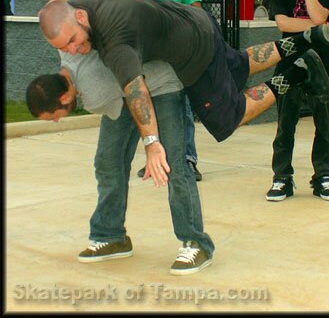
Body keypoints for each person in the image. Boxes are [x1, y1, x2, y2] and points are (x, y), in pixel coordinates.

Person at [37, 0, 329, 192]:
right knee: (240, 63)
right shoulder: (79, 4)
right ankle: (308, 37)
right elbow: (54, 6)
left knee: (231, 115)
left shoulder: (115, 38)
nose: (74, 51)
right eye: (64, 49)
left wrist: (152, 143)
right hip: (195, 21)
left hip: (193, 53)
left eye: (73, 41)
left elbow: (136, 91)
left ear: (80, 18)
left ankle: (301, 70)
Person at [26, 51, 214, 275]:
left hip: (161, 85)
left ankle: (197, 243)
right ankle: (111, 236)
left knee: (172, 164)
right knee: (108, 161)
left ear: (64, 98)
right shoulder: (69, 54)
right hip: (125, 93)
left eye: (53, 116)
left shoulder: (95, 94)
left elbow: (136, 105)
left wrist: (152, 146)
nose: (57, 120)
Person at [118, 0, 202, 181]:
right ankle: (153, 160)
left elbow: (195, 9)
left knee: (181, 106)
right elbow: (120, 12)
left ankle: (187, 159)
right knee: (146, 106)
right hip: (141, 53)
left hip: (176, 52)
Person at [266, 0, 329, 202]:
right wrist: (318, 28)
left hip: (323, 65)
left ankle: (323, 176)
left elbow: (322, 15)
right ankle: (281, 178)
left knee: (324, 124)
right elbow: (284, 24)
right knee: (285, 124)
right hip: (289, 63)